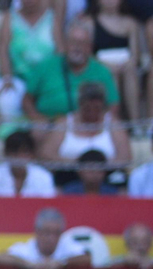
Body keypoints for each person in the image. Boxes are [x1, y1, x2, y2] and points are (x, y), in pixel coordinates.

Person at [23, 20, 119, 155]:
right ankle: (44, 173)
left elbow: (113, 106)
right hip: (50, 124)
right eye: (73, 43)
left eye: (81, 44)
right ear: (65, 44)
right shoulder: (45, 66)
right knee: (37, 131)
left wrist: (95, 122)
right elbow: (27, 100)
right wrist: (38, 118)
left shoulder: (102, 72)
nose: (76, 48)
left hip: (88, 124)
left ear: (90, 47)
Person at [48, 80, 132, 165]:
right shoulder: (64, 123)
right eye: (87, 109)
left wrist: (98, 168)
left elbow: (125, 157)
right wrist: (79, 164)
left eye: (97, 108)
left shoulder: (113, 123)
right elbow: (46, 154)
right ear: (80, 104)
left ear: (103, 105)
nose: (92, 112)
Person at [0, 207, 97, 269]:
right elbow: (0, 258)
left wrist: (60, 264)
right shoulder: (27, 249)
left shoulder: (66, 245)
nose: (51, 238)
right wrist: (29, 265)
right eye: (47, 232)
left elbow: (87, 258)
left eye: (56, 233)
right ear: (37, 231)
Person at [90, 0, 142, 119]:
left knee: (131, 73)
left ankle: (136, 122)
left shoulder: (130, 23)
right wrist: (107, 66)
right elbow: (89, 55)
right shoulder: (90, 22)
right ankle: (114, 121)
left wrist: (128, 64)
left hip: (125, 65)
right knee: (111, 75)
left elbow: (135, 55)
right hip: (101, 66)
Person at [0, 130, 58, 195]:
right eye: (14, 152)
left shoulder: (43, 177)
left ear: (32, 154)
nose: (19, 156)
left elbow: (46, 206)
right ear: (6, 153)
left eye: (24, 152)